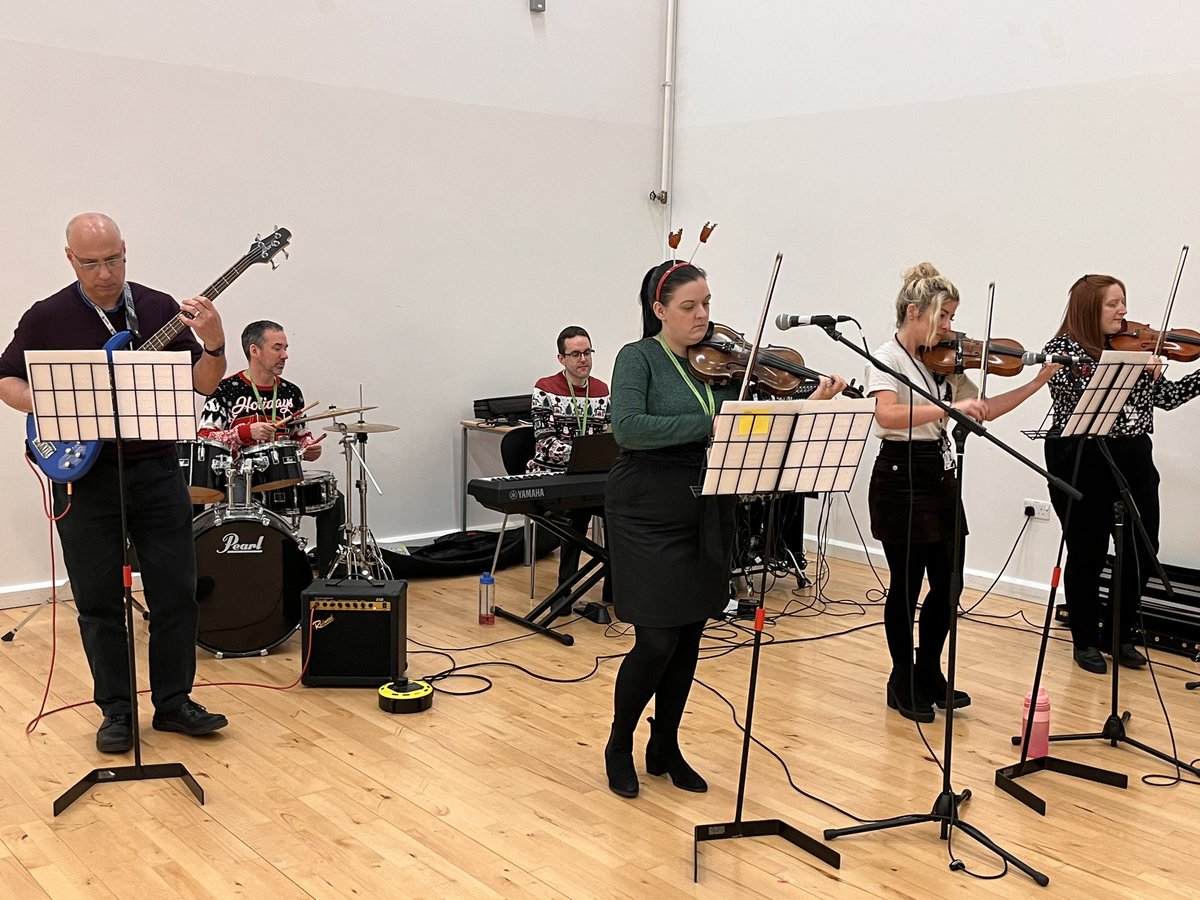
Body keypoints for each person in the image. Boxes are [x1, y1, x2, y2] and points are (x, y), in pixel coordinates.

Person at [603, 258, 846, 798]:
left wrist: (810, 402)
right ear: (659, 309)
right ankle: (619, 743)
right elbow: (629, 428)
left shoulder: (719, 363)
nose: (703, 315)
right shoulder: (637, 357)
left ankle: (665, 745)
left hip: (707, 500)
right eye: (689, 306)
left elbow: (757, 427)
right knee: (657, 639)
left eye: (707, 303)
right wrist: (714, 422)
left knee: (690, 633)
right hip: (646, 506)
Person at [0, 212, 230, 753]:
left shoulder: (157, 308)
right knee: (98, 601)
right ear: (70, 258)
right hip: (85, 479)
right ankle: (117, 711)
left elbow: (201, 385)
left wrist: (215, 345)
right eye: (90, 263)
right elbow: (6, 379)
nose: (104, 274)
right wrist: (55, 408)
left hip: (156, 470)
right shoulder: (47, 316)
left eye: (113, 260)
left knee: (176, 593)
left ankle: (173, 703)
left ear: (126, 251)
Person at [866, 262, 1055, 723]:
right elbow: (886, 415)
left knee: (949, 584)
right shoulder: (887, 358)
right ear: (915, 312)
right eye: (944, 315)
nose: (950, 327)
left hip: (940, 474)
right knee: (905, 587)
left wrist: (1035, 383)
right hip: (899, 476)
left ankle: (929, 670)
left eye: (952, 316)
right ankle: (901, 678)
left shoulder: (944, 363)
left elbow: (982, 407)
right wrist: (948, 407)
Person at [1043, 274, 1200, 674]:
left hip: (1133, 455)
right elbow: (1075, 398)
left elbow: (1168, 398)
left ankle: (1120, 633)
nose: (1124, 311)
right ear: (1088, 308)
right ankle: (1085, 640)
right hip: (1080, 456)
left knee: (1142, 549)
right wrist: (1130, 369)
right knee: (1088, 551)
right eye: (1113, 303)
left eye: (1123, 301)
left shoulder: (1135, 348)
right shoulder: (1061, 352)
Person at [197, 320, 344, 575]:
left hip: (283, 475)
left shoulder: (291, 392)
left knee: (332, 498)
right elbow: (205, 437)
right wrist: (244, 433)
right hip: (241, 478)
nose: (285, 355)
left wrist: (309, 447)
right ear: (254, 350)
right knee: (237, 506)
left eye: (285, 348)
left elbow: (300, 435)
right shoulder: (224, 390)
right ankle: (244, 575)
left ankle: (329, 579)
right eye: (277, 348)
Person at [528, 326, 612, 608]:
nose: (583, 359)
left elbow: (608, 437)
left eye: (587, 352)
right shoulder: (545, 389)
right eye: (575, 354)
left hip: (590, 475)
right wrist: (580, 457)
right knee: (578, 512)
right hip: (553, 475)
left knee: (620, 510)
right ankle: (564, 592)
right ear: (561, 359)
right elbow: (545, 443)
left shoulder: (601, 390)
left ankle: (613, 589)